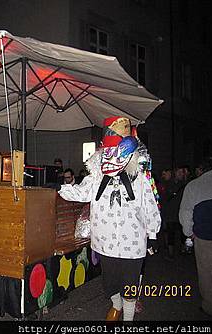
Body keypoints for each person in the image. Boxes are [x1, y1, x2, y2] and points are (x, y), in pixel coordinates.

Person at [59, 116, 160, 321]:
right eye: (109, 151)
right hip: (105, 242)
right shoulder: (95, 178)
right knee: (110, 282)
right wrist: (60, 189)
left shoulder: (140, 179)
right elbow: (80, 193)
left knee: (130, 284)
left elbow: (150, 207)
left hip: (132, 244)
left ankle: (128, 319)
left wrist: (152, 234)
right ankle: (116, 305)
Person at [179, 157, 212, 318]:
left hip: (204, 235)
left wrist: (189, 232)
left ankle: (211, 307)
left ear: (200, 170)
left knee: (207, 272)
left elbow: (186, 212)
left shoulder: (194, 185)